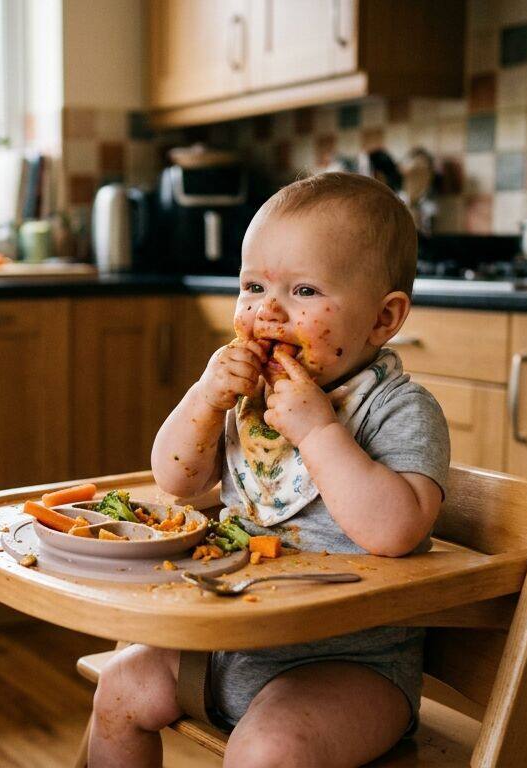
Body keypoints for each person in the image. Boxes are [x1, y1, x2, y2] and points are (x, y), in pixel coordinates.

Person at [90, 172, 450, 767]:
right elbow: (177, 482)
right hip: (228, 643)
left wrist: (318, 431)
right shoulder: (248, 395)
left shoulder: (398, 409)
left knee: (269, 752)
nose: (267, 310)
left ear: (383, 319)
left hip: (349, 667)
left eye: (304, 291)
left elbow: (395, 531)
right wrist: (205, 399)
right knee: (120, 688)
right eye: (253, 285)